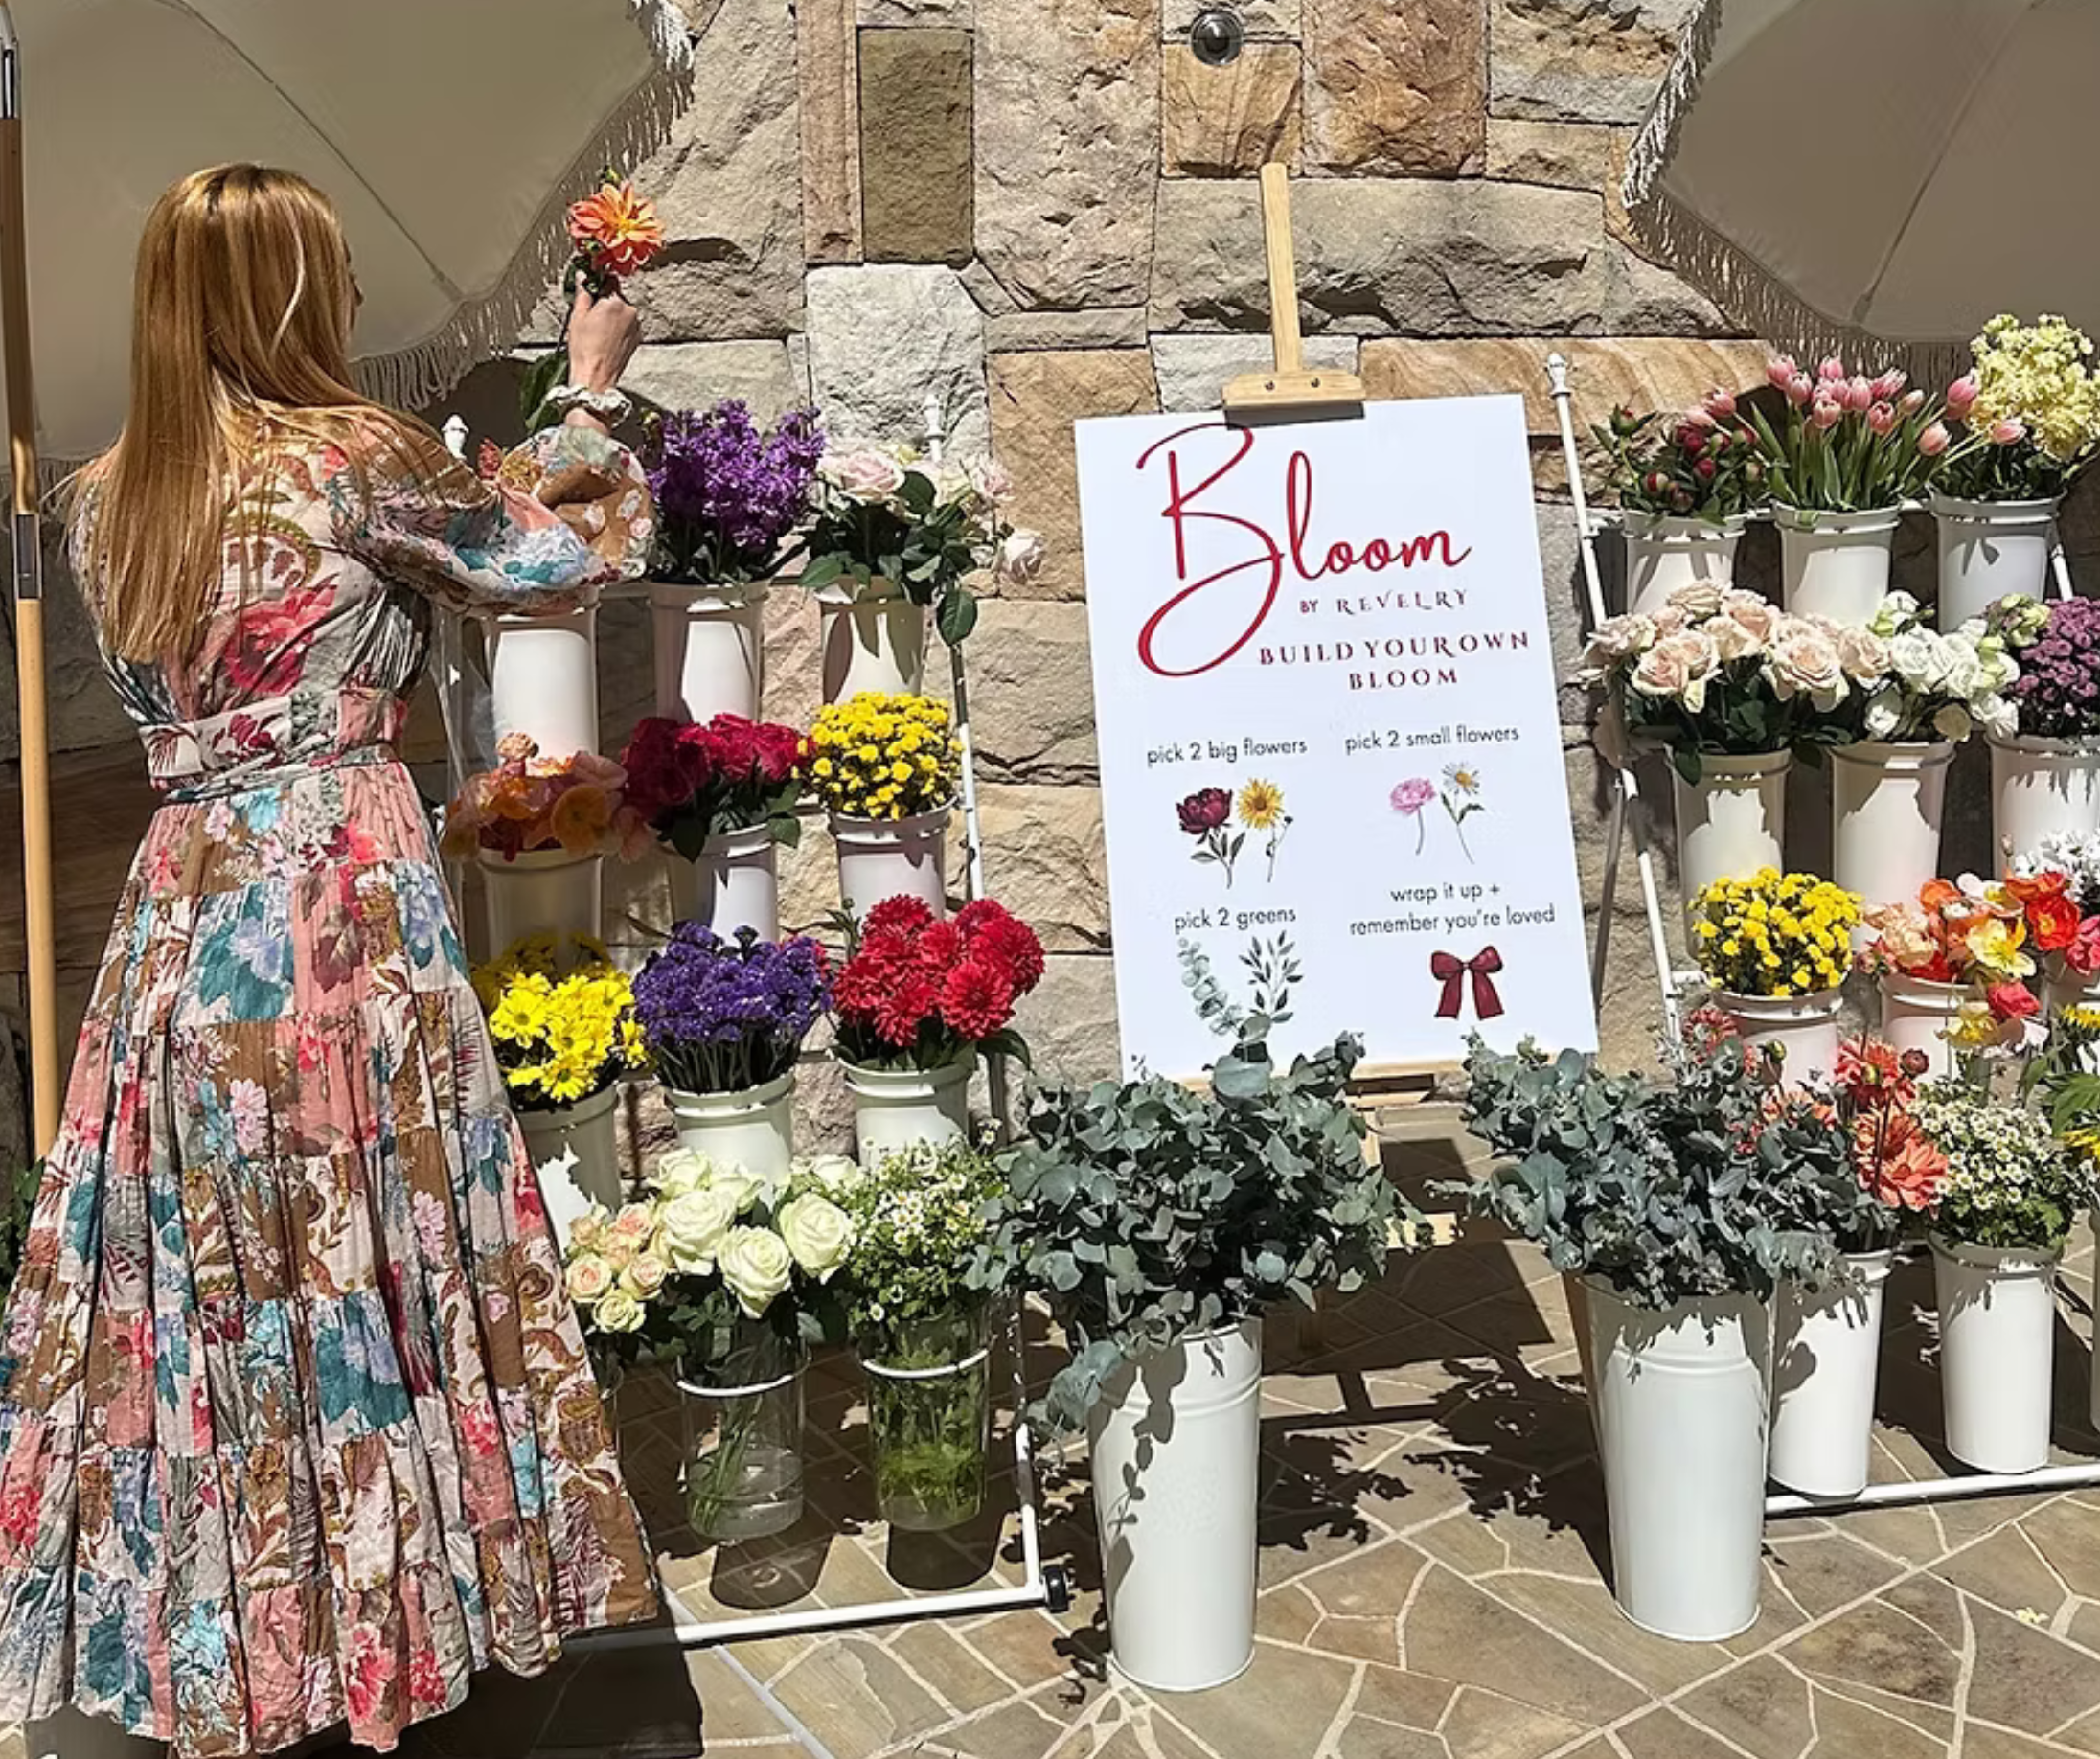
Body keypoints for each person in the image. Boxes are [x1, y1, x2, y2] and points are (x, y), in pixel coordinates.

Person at [0, 165, 661, 1758]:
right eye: (335, 271)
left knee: (213, 1272)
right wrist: (586, 390)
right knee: (369, 1240)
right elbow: (563, 555)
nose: (355, 298)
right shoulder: (360, 461)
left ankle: (239, 1647)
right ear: (288, 292)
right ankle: (380, 1629)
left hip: (179, 927)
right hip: (333, 919)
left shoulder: (98, 505)